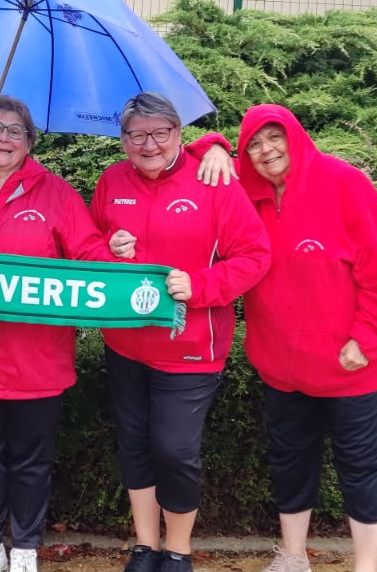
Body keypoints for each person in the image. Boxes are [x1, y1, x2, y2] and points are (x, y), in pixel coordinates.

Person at [0, 96, 116, 572]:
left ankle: (27, 547)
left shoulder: (57, 195)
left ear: (30, 143)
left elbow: (90, 257)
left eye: (15, 132)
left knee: (32, 459)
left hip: (37, 358)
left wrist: (119, 253)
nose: (3, 139)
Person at [89, 91, 271, 572]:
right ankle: (146, 546)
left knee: (175, 450)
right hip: (124, 342)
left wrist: (202, 286)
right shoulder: (111, 181)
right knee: (134, 443)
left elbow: (255, 257)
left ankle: (179, 549)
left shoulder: (214, 179)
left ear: (178, 133)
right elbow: (91, 249)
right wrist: (113, 250)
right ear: (123, 139)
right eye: (136, 135)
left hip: (191, 346)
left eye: (159, 133)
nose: (148, 144)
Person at [235, 104, 377, 572]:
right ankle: (292, 556)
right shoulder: (245, 195)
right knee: (291, 462)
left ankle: (365, 565)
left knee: (362, 468)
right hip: (283, 367)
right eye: (253, 142)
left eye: (275, 137)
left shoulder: (344, 184)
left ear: (296, 137)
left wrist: (368, 340)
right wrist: (209, 145)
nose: (265, 150)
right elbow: (183, 160)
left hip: (356, 366)